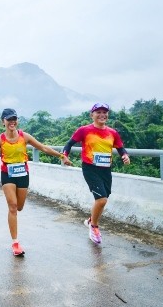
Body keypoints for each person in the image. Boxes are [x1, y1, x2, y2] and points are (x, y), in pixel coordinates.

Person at [0, 108, 72, 256]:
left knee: (20, 207)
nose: (12, 122)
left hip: (23, 174)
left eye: (14, 119)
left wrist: (62, 156)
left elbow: (42, 147)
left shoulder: (25, 136)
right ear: (3, 121)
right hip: (7, 175)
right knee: (13, 207)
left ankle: (15, 233)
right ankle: (15, 243)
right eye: (9, 119)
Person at [62, 103, 130, 245]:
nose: (102, 115)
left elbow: (121, 148)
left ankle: (90, 220)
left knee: (104, 197)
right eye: (98, 112)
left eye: (104, 112)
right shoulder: (84, 130)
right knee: (102, 199)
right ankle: (94, 227)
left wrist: (125, 156)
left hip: (106, 169)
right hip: (90, 168)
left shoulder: (113, 133)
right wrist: (65, 156)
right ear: (91, 115)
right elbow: (69, 144)